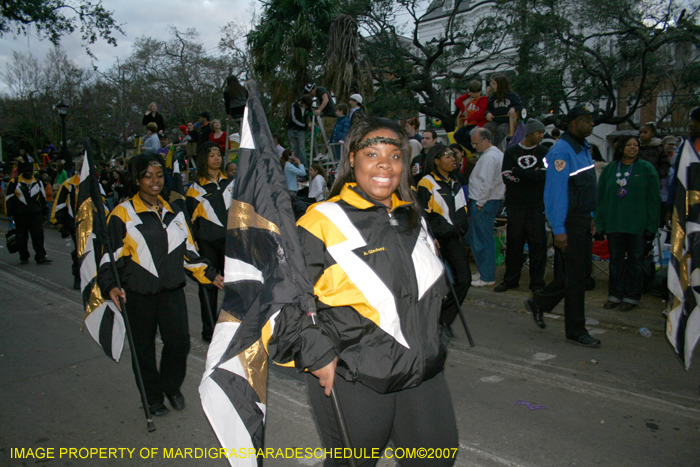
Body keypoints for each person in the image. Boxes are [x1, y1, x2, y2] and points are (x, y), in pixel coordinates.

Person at [295, 117, 458, 466]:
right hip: (356, 373)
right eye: (372, 153)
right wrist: (316, 352)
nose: (385, 163)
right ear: (352, 159)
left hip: (421, 369)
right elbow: (287, 300)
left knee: (437, 459)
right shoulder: (321, 220)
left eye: (394, 155)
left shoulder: (414, 218)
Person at [99, 153, 224, 416]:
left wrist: (212, 274)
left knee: (179, 344)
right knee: (143, 351)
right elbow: (109, 256)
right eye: (147, 176)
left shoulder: (175, 211)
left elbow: (189, 252)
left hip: (171, 292)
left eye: (158, 175)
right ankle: (152, 398)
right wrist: (110, 284)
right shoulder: (122, 214)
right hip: (138, 294)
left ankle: (170, 386)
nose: (154, 181)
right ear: (136, 180)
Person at [524, 105, 601, 347]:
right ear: (573, 123)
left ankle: (540, 302)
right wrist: (558, 228)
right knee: (577, 277)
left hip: (581, 217)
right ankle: (576, 330)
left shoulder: (583, 148)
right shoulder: (561, 151)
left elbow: (585, 188)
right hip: (568, 220)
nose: (591, 124)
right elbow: (555, 193)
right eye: (586, 120)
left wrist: (590, 216)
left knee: (576, 273)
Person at [595, 135, 660, 311]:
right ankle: (614, 295)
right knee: (615, 262)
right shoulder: (609, 170)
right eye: (629, 145)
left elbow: (654, 199)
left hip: (638, 227)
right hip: (615, 224)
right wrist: (599, 225)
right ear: (621, 147)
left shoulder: (646, 169)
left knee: (635, 262)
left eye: (636, 145)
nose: (633, 148)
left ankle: (631, 297)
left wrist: (651, 226)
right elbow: (600, 199)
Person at [417, 143, 470, 338]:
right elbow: (422, 214)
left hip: (454, 238)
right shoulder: (426, 183)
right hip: (436, 240)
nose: (453, 159)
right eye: (447, 156)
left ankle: (443, 319)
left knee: (464, 280)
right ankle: (425, 321)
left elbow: (462, 210)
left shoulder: (456, 181)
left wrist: (462, 228)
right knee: (432, 284)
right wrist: (431, 237)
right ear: (436, 160)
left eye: (453, 155)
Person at [185, 142, 234, 343]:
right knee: (208, 286)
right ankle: (209, 330)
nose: (216, 158)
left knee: (234, 286)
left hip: (231, 243)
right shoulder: (194, 190)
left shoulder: (232, 183)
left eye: (219, 154)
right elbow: (190, 221)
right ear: (203, 159)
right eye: (211, 154)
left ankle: (233, 326)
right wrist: (194, 242)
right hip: (208, 244)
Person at [496, 119, 548, 294]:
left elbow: (543, 176)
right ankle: (510, 280)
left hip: (536, 206)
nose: (542, 135)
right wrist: (529, 176)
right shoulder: (511, 152)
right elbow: (506, 176)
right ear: (529, 133)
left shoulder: (544, 152)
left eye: (543, 132)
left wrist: (519, 172)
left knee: (538, 245)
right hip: (515, 206)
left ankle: (537, 283)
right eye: (539, 132)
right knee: (514, 244)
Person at [468, 128, 505, 287]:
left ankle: (487, 276)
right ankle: (484, 271)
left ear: (486, 140)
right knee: (482, 237)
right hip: (487, 200)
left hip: (484, 201)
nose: (474, 146)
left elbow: (488, 182)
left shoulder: (490, 157)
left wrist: (480, 203)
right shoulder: (495, 154)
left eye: (476, 143)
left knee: (482, 239)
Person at [5, 162, 52, 265]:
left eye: (30, 171)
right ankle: (24, 256)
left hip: (35, 214)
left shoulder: (38, 182)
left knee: (38, 235)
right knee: (22, 236)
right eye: (26, 171)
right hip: (20, 215)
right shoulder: (14, 182)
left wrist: (45, 213)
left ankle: (40, 256)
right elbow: (9, 199)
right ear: (22, 171)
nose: (29, 173)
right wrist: (10, 213)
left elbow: (43, 199)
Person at [484, 73, 522, 149]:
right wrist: (488, 113)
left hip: (507, 122)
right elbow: (488, 108)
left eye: (494, 83)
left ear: (500, 84)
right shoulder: (493, 96)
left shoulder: (512, 95)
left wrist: (513, 108)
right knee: (485, 129)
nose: (491, 85)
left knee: (501, 131)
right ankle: (483, 147)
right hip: (495, 121)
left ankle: (493, 148)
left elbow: (519, 105)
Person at [454, 80, 488, 153]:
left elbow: (481, 112)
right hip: (468, 124)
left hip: (477, 123)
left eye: (477, 92)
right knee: (457, 135)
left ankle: (478, 149)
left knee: (468, 134)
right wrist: (467, 95)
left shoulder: (482, 100)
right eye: (473, 92)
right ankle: (474, 150)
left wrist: (469, 119)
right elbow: (457, 102)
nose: (475, 94)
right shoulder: (468, 100)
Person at [287, 95, 313, 167]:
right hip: (293, 129)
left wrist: (311, 124)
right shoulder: (294, 105)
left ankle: (305, 167)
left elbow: (311, 116)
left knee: (302, 148)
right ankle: (295, 166)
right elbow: (294, 119)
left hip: (301, 131)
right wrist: (304, 125)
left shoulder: (308, 109)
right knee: (294, 149)